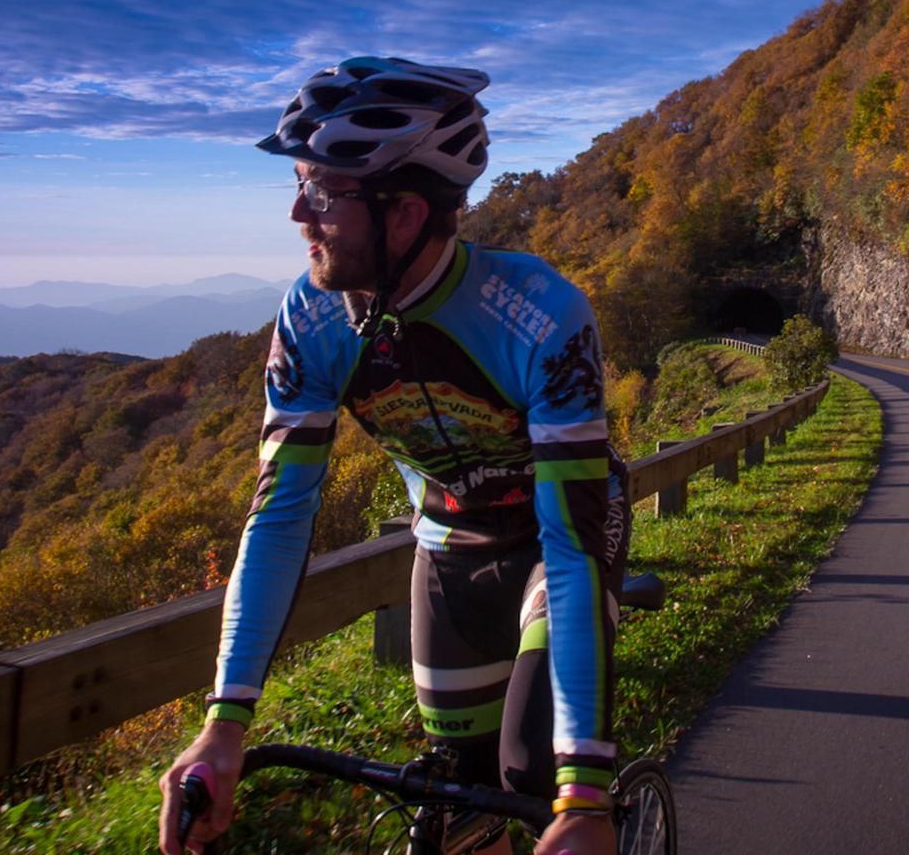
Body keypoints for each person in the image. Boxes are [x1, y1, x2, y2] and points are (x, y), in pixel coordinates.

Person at [158, 57, 628, 855]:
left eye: (322, 191)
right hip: (445, 547)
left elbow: (574, 546)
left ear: (405, 213)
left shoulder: (540, 315)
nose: (298, 215)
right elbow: (277, 515)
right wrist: (224, 723)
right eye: (299, 184)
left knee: (528, 769)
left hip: (554, 548)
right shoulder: (310, 317)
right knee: (459, 792)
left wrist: (583, 794)